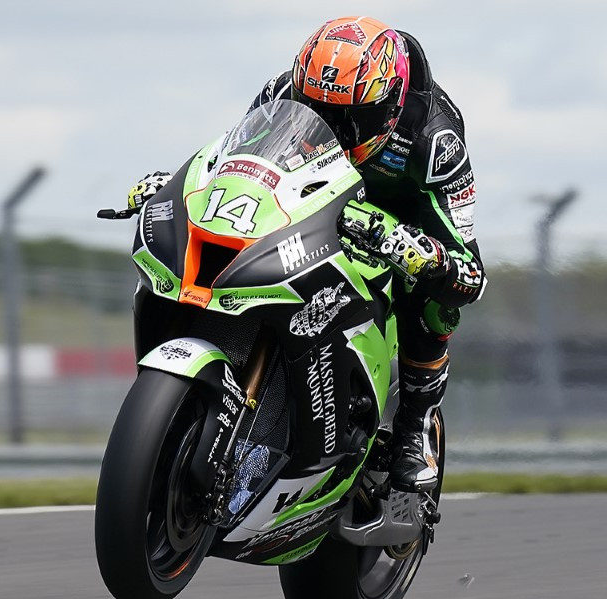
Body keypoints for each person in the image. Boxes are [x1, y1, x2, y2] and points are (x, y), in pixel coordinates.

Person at [128, 17, 485, 492]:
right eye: (317, 107)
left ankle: (414, 429)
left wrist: (416, 249)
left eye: (349, 116)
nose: (333, 125)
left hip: (397, 217)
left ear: (388, 106)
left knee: (435, 298)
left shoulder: (437, 140)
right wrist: (180, 186)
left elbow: (470, 274)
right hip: (316, 198)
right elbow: (241, 160)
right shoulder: (284, 91)